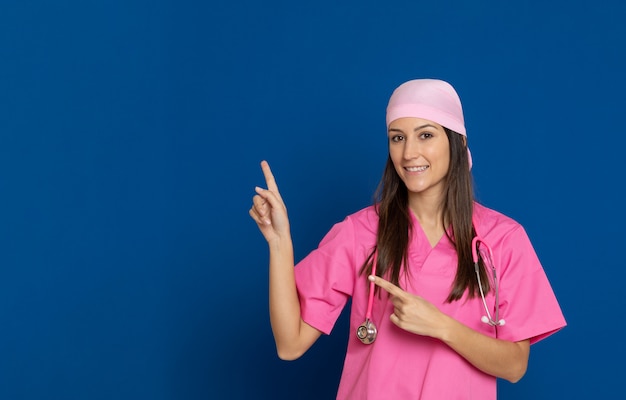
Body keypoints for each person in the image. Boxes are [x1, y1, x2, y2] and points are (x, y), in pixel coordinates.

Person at [249, 78, 566, 399]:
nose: (409, 152)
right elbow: (290, 345)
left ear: (456, 142)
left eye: (425, 135)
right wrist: (279, 243)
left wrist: (441, 326)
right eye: (397, 138)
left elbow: (515, 366)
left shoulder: (502, 239)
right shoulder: (360, 232)